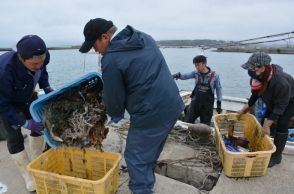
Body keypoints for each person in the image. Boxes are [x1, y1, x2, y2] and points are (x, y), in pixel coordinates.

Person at [79, 18, 184, 194]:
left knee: (136, 158)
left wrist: (115, 113)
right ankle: (147, 183)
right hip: (173, 104)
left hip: (150, 112)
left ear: (105, 37)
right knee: (149, 152)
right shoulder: (144, 38)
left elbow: (114, 98)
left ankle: (142, 189)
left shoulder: (110, 59)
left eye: (94, 46)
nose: (95, 51)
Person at [0, 35, 53, 191]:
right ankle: (27, 175)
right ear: (20, 58)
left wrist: (47, 88)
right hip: (6, 102)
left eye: (41, 61)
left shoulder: (43, 57)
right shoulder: (5, 71)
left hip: (28, 94)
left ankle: (37, 161)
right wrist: (24, 123)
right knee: (14, 137)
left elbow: (42, 73)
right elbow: (2, 105)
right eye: (34, 63)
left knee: (40, 125)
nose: (38, 66)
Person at [238, 52, 294, 167]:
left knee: (282, 123)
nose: (249, 71)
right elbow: (254, 96)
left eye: (252, 68)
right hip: (274, 100)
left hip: (290, 100)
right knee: (263, 121)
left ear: (262, 68)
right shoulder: (257, 78)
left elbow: (280, 106)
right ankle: (259, 146)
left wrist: (268, 125)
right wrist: (244, 110)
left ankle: (277, 156)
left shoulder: (281, 82)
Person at [173, 55, 222, 125]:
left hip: (207, 106)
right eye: (195, 65)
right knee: (188, 122)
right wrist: (178, 75)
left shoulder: (215, 75)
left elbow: (219, 89)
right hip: (195, 104)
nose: (196, 67)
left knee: (205, 125)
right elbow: (185, 76)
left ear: (204, 64)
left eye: (198, 65)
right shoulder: (195, 73)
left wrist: (219, 103)